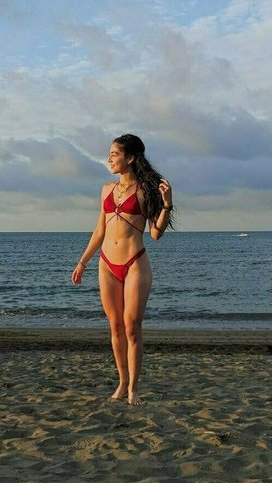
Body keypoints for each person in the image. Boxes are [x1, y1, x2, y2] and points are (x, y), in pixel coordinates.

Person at [71, 134, 175, 405]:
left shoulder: (146, 190)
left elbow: (155, 233)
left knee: (131, 327)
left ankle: (134, 389)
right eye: (109, 154)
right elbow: (100, 230)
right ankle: (122, 382)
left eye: (114, 154)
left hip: (135, 263)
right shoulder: (106, 189)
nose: (109, 159)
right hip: (106, 264)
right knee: (115, 327)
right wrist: (83, 261)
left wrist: (166, 204)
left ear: (130, 158)